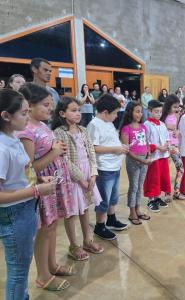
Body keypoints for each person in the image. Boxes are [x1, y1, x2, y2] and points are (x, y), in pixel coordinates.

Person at [0, 89, 56, 299]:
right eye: (23, 113)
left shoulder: (13, 137)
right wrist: (35, 190)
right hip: (14, 213)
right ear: (6, 116)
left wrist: (38, 179)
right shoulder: (2, 147)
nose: (28, 116)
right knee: (18, 270)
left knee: (21, 265)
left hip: (25, 207)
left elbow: (22, 171)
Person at [18, 83, 72, 291]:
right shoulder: (27, 131)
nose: (50, 109)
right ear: (29, 106)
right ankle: (42, 275)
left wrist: (58, 151)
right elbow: (29, 168)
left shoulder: (41, 125)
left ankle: (52, 265)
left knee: (52, 226)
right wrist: (54, 153)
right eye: (45, 105)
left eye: (51, 105)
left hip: (53, 183)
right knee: (43, 230)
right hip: (42, 185)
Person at [52, 97, 104, 261]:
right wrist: (81, 179)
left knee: (85, 208)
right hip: (72, 178)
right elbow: (64, 159)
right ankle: (74, 246)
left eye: (79, 110)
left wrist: (93, 173)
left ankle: (87, 241)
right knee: (71, 212)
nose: (78, 113)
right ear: (62, 113)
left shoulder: (83, 130)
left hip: (88, 173)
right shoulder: (59, 132)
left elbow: (91, 153)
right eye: (73, 110)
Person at [87, 94, 129, 240]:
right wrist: (114, 149)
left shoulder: (108, 123)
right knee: (103, 199)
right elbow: (93, 147)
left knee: (113, 196)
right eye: (115, 113)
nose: (116, 116)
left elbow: (111, 141)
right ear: (105, 112)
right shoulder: (94, 125)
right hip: (104, 168)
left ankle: (111, 219)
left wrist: (120, 146)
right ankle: (100, 225)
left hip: (114, 165)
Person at [120, 102, 152, 225]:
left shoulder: (143, 127)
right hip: (133, 160)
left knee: (140, 186)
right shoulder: (126, 129)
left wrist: (148, 155)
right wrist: (142, 160)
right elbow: (127, 150)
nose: (139, 114)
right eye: (136, 111)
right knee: (133, 186)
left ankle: (138, 209)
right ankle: (132, 211)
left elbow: (147, 142)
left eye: (140, 111)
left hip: (144, 159)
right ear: (130, 112)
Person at [143, 100, 171, 212]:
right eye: (156, 111)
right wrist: (159, 148)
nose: (159, 114)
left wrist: (167, 145)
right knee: (153, 178)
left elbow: (167, 138)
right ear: (149, 111)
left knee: (161, 177)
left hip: (163, 156)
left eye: (160, 111)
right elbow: (146, 142)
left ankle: (157, 197)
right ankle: (151, 200)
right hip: (153, 156)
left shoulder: (163, 124)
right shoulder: (146, 125)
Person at [161, 95, 185, 200]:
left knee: (180, 169)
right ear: (168, 106)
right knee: (165, 171)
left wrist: (177, 131)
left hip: (175, 145)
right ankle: (167, 193)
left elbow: (177, 129)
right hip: (166, 146)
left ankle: (176, 192)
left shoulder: (176, 116)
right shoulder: (162, 116)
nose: (177, 109)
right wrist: (167, 126)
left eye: (178, 107)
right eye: (174, 107)